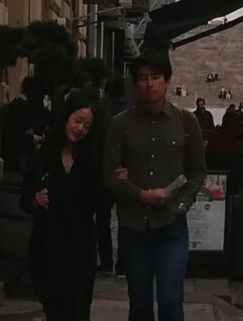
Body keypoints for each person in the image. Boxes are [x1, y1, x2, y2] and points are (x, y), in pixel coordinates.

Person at [104, 49, 206, 321]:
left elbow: (197, 171)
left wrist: (182, 204)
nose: (149, 83)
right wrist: (139, 194)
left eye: (156, 77)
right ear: (135, 83)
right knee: (139, 303)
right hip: (134, 226)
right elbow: (110, 174)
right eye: (142, 78)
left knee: (171, 300)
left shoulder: (185, 121)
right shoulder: (119, 124)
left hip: (171, 225)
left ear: (168, 80)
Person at [21, 90, 101, 321]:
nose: (80, 129)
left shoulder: (91, 162)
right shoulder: (41, 158)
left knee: (77, 312)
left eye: (86, 126)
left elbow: (100, 201)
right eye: (77, 121)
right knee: (55, 310)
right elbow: (25, 199)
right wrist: (35, 202)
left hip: (79, 248)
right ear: (67, 117)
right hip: (47, 247)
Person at [97, 77, 128, 276]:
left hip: (105, 171)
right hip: (126, 172)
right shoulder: (130, 112)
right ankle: (123, 264)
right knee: (125, 220)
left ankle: (106, 261)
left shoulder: (102, 111)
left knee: (102, 219)